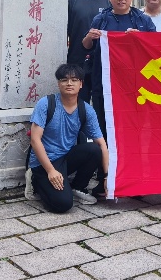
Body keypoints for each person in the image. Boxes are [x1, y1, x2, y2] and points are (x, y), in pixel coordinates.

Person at [83, 0, 155, 197]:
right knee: (104, 130)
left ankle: (134, 178)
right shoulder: (102, 18)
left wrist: (140, 39)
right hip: (104, 85)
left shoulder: (142, 20)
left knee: (133, 131)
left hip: (135, 87)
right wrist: (89, 37)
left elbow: (155, 49)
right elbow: (86, 46)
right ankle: (105, 177)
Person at [29, 64, 109, 213]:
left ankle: (78, 187)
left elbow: (102, 144)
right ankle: (35, 182)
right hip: (44, 161)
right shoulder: (46, 104)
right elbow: (35, 140)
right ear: (58, 84)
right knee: (63, 204)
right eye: (64, 80)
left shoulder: (86, 110)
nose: (69, 83)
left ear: (81, 84)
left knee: (94, 149)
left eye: (74, 80)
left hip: (66, 158)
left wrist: (107, 177)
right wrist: (51, 171)